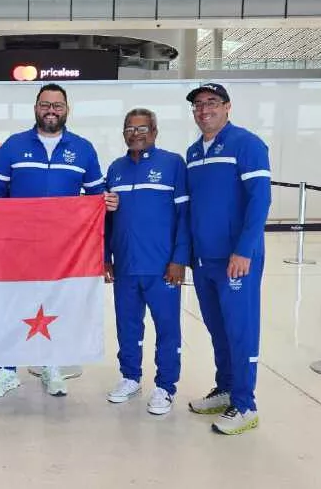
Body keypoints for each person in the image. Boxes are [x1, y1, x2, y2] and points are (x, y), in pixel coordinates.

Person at [0, 83, 119, 399]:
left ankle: (52, 366)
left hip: (63, 250)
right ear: (35, 108)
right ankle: (6, 370)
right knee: (12, 306)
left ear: (66, 110)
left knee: (57, 305)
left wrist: (105, 203)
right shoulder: (13, 147)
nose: (51, 110)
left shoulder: (83, 149)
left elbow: (96, 196)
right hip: (18, 247)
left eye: (57, 105)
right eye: (45, 104)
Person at [184, 83, 271, 435]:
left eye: (212, 103)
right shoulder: (193, 152)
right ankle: (225, 389)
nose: (205, 109)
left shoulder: (247, 144)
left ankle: (245, 404)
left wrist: (244, 249)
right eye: (199, 105)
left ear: (227, 107)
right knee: (217, 328)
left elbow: (259, 200)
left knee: (240, 329)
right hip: (204, 260)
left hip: (236, 259)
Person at [103, 108, 189, 415]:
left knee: (167, 328)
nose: (135, 134)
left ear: (154, 131)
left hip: (162, 267)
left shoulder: (173, 164)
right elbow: (106, 219)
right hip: (126, 265)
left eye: (141, 129)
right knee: (127, 326)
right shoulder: (115, 169)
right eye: (129, 129)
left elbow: (183, 216)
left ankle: (165, 386)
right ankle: (130, 377)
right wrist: (105, 257)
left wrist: (179, 259)